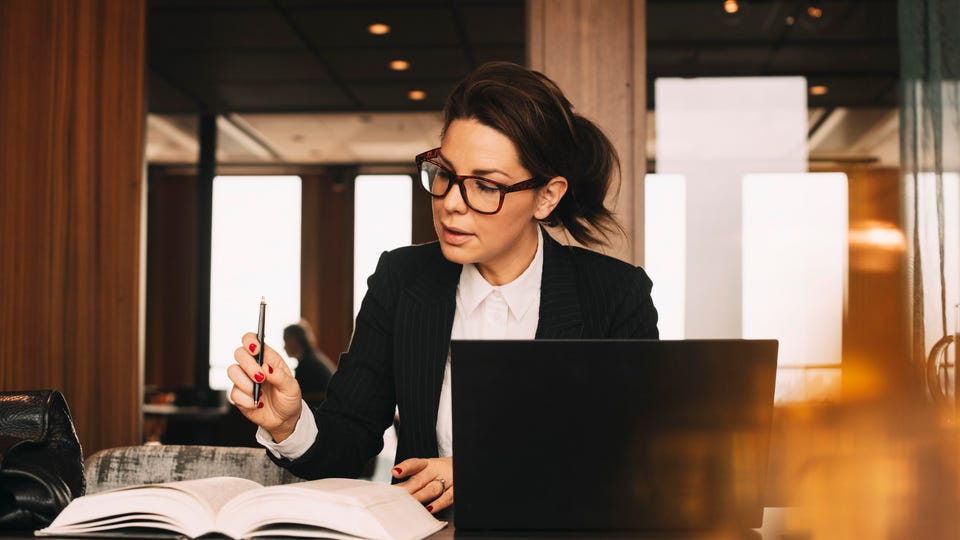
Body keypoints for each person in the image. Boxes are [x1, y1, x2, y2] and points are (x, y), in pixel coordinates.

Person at [227, 61, 659, 516]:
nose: (452, 202)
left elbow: (627, 460)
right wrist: (290, 424)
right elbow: (350, 438)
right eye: (445, 173)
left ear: (547, 196)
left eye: (485, 185)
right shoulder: (402, 278)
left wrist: (484, 468)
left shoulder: (614, 294)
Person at [282, 320, 336, 406]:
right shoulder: (313, 358)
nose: (284, 347)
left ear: (294, 340)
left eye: (286, 341)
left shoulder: (308, 365)